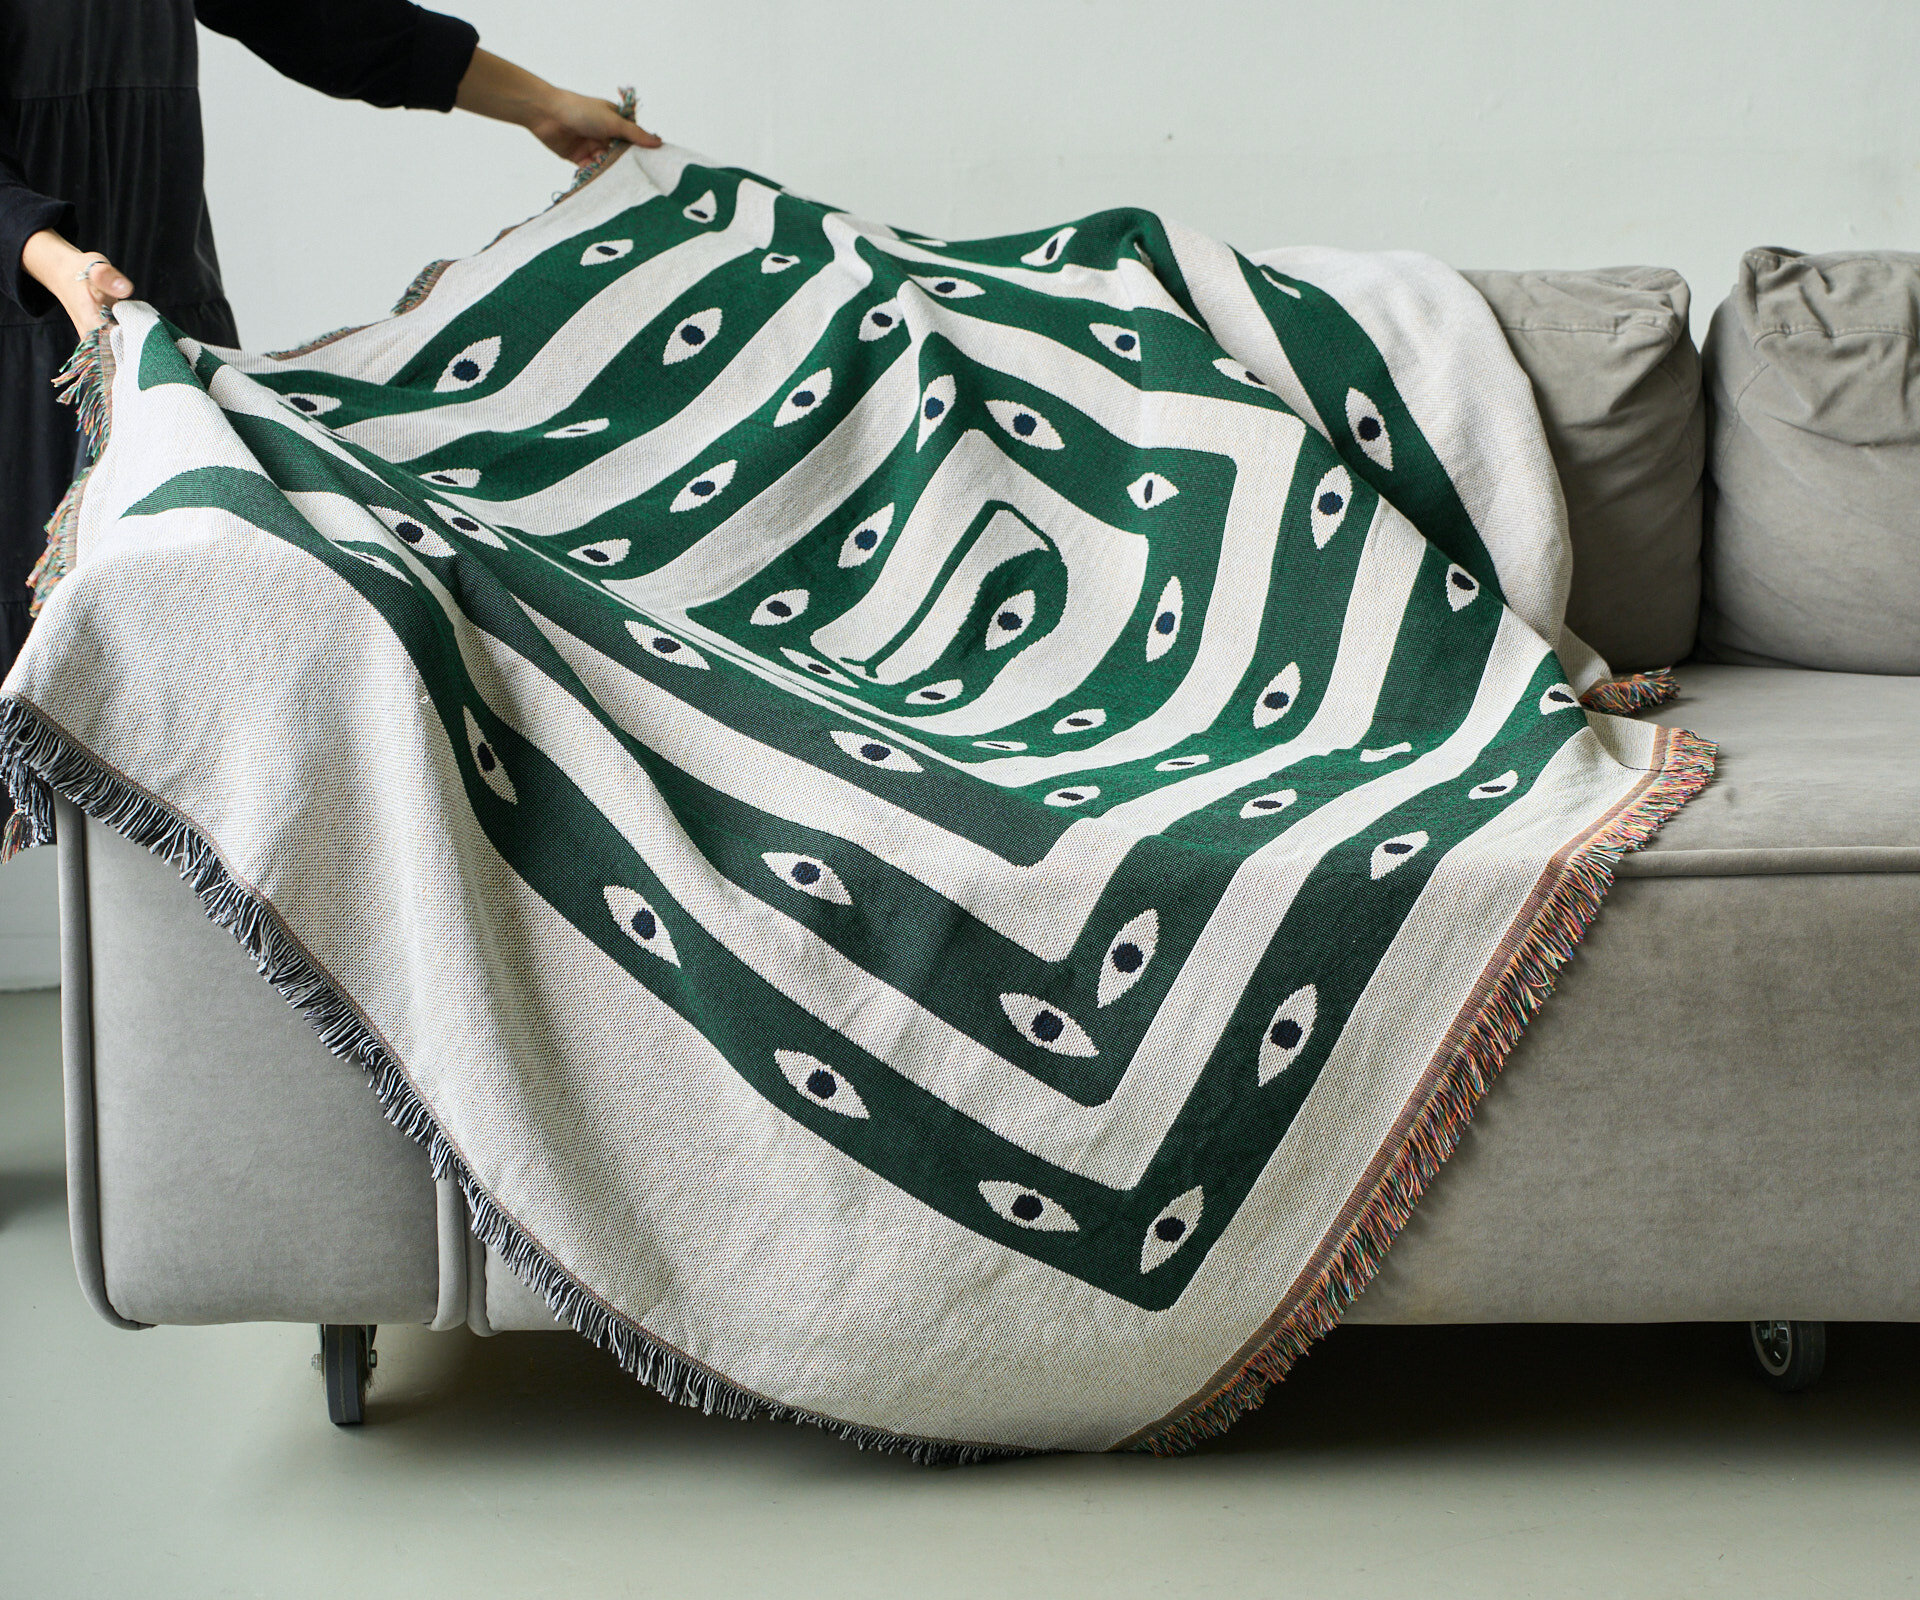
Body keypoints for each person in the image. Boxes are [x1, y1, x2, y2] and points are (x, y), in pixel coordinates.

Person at [0, 0, 661, 693]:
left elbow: (316, 18)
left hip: (157, 323)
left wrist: (541, 104)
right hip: (34, 346)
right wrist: (56, 264)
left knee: (201, 657)